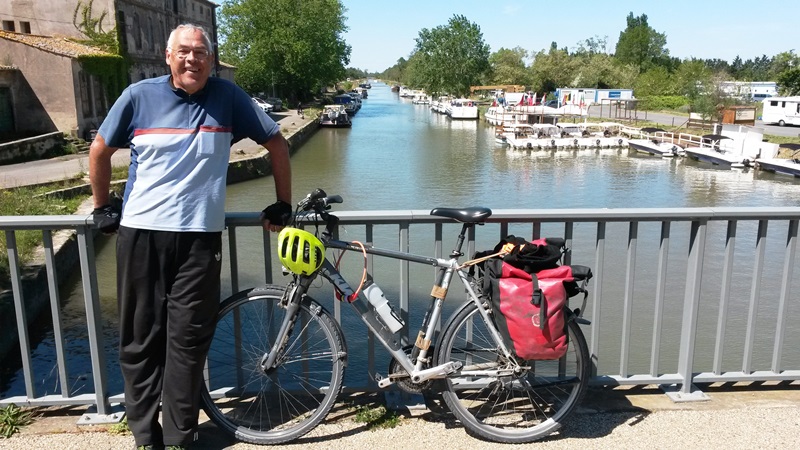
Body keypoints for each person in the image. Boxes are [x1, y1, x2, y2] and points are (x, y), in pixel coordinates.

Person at [88, 23, 292, 450]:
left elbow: (276, 143)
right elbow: (100, 150)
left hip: (199, 240)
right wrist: (102, 205)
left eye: (201, 53)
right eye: (184, 51)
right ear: (168, 56)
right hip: (142, 234)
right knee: (140, 340)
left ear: (211, 60)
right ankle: (146, 437)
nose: (192, 59)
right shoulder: (139, 96)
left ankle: (181, 436)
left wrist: (282, 203)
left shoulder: (228, 98)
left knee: (188, 341)